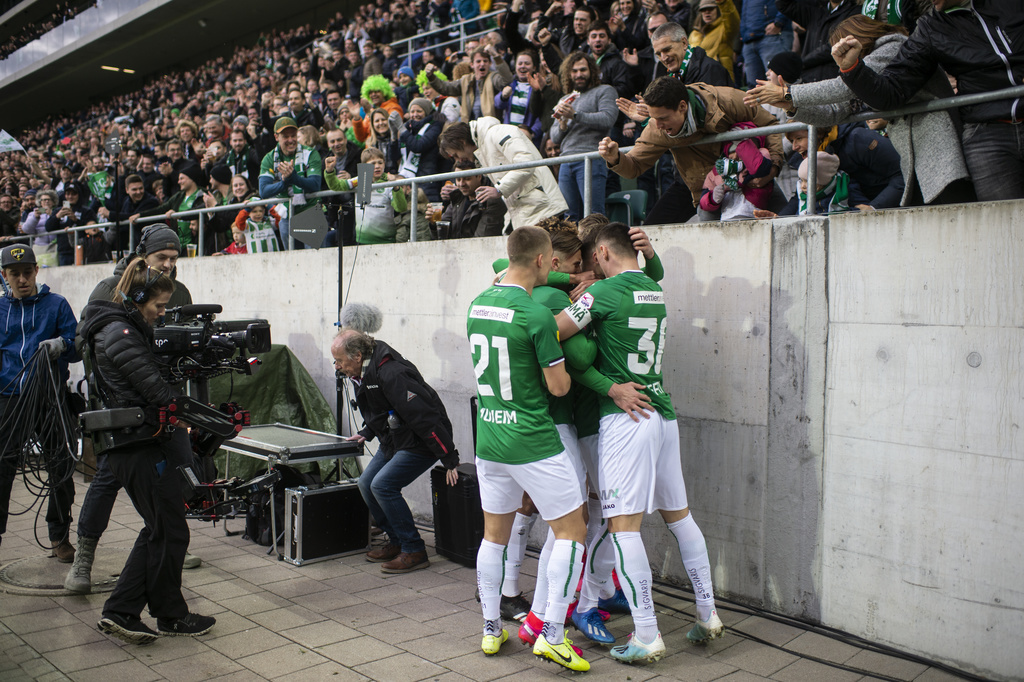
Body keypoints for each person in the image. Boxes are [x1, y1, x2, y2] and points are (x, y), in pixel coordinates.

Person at [554, 222, 724, 664]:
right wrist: (652, 257)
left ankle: (647, 633)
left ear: (604, 254)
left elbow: (553, 332)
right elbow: (651, 274)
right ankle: (707, 614)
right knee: (681, 518)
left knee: (622, 527)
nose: (592, 269)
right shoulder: (652, 286)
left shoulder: (604, 294)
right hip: (662, 411)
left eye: (594, 261)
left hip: (626, 417)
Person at [467, 226, 589, 672]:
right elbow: (558, 388)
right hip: (533, 439)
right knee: (572, 530)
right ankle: (553, 635)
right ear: (543, 260)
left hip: (489, 436)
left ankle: (490, 629)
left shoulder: (478, 302)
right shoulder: (535, 316)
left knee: (493, 536)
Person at [78, 259, 215, 644]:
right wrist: (198, 418)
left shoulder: (121, 328)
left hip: (134, 443)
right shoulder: (120, 332)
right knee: (168, 530)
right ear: (138, 300)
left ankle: (139, 612)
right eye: (159, 306)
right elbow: (156, 392)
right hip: (136, 444)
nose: (162, 314)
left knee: (161, 529)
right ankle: (152, 614)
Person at [64, 224, 197, 594]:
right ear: (143, 255)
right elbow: (84, 340)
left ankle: (167, 538)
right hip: (125, 408)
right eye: (161, 258)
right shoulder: (110, 288)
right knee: (107, 481)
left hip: (164, 402)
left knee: (185, 469)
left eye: (174, 258)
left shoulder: (179, 289)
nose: (169, 265)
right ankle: (84, 558)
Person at [744, 15, 972, 206]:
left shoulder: (894, 46)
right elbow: (834, 111)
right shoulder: (863, 72)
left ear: (858, 37)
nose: (840, 57)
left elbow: (841, 88)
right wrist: (792, 105)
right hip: (917, 154)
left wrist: (790, 93)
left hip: (939, 149)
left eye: (841, 48)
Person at [832, 0, 1023, 202]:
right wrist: (852, 69)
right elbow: (892, 92)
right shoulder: (930, 26)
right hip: (987, 134)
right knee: (1003, 225)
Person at [333, 328, 459, 573]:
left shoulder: (391, 373)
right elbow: (383, 409)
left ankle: (414, 550)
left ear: (357, 356)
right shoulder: (367, 370)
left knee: (383, 485)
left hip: (420, 442)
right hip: (396, 439)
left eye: (339, 360)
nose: (337, 366)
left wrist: (449, 457)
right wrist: (367, 431)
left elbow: (424, 416)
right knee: (365, 483)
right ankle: (397, 540)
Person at [600, 76, 783, 225]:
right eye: (653, 118)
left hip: (753, 183)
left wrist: (773, 167)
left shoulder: (727, 100)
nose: (658, 125)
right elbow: (634, 166)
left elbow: (769, 124)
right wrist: (615, 158)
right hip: (709, 194)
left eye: (663, 118)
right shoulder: (657, 127)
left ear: (682, 107)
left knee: (786, 221)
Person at [0, 245, 78, 560]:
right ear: (4, 276)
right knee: (2, 468)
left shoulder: (56, 305)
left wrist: (64, 345)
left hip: (49, 397)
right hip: (8, 398)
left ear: (36, 271)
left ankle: (59, 536)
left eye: (27, 272)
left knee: (62, 465)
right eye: (14, 274)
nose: (22, 279)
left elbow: (78, 347)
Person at [438, 118, 568, 231]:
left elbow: (526, 163)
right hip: (531, 212)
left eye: (455, 154)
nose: (458, 160)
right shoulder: (484, 147)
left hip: (544, 209)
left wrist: (499, 189)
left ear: (462, 142)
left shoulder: (497, 133)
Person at [550, 52, 618, 221]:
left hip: (591, 158)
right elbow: (554, 137)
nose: (578, 74)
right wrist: (563, 125)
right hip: (566, 161)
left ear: (592, 71)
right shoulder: (565, 99)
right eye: (574, 71)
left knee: (594, 214)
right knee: (569, 217)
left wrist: (575, 115)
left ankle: (598, 246)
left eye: (583, 70)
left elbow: (607, 119)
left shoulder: (605, 91)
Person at [258, 116, 324, 250]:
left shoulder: (310, 153)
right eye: (285, 136)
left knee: (316, 261)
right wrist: (284, 182)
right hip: (287, 214)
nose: (290, 140)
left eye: (293, 135)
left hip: (310, 211)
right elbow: (263, 191)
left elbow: (315, 184)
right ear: (276, 137)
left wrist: (293, 178)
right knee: (292, 261)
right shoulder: (269, 158)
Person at [326, 147, 408, 245]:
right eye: (373, 164)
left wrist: (395, 187)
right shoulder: (360, 180)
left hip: (387, 240)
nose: (377, 166)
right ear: (365, 166)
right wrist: (330, 172)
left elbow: (401, 208)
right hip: (362, 241)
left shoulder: (389, 182)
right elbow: (337, 186)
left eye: (380, 163)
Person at [776, 0, 860, 83]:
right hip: (809, 78)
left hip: (835, 79)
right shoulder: (816, 8)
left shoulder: (856, 11)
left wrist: (804, 61)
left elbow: (835, 46)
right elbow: (783, 4)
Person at [425, 46, 514, 122]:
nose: (482, 64)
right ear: (472, 64)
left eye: (485, 61)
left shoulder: (494, 77)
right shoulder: (466, 80)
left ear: (490, 63)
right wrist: (431, 76)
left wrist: (496, 56)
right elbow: (446, 88)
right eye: (478, 61)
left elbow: (507, 80)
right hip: (470, 128)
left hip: (490, 128)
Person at [438, 161, 507, 238]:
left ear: (479, 177)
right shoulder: (457, 199)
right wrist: (433, 223)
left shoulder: (491, 201)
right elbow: (441, 236)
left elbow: (482, 240)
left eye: (467, 179)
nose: (461, 184)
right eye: (458, 179)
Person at [97, 175, 159, 255]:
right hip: (132, 245)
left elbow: (133, 216)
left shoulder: (151, 201)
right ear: (127, 190)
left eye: (141, 188)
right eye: (134, 189)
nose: (138, 192)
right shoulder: (127, 201)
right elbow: (124, 218)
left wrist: (110, 214)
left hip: (150, 246)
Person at [738, 0, 792, 86]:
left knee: (779, 82)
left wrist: (779, 22)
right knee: (754, 88)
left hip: (773, 36)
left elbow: (789, 3)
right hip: (749, 40)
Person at [688, 0, 740, 78]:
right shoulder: (694, 34)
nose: (707, 12)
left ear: (718, 9)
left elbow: (732, 18)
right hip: (698, 80)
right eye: (703, 9)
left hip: (720, 79)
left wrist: (723, 2)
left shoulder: (725, 29)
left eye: (711, 9)